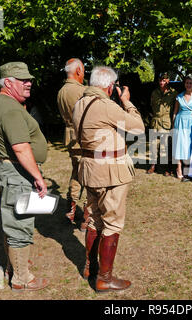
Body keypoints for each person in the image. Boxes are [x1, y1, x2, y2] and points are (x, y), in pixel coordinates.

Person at [72, 66, 145, 293]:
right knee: (112, 222)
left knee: (94, 219)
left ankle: (90, 268)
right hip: (110, 172)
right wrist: (127, 102)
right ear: (110, 86)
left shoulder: (79, 104)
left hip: (90, 170)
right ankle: (104, 278)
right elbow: (138, 128)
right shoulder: (106, 106)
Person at [0, 61, 49, 291]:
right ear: (8, 83)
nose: (29, 83)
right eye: (23, 80)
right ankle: (22, 278)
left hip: (10, 170)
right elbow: (21, 148)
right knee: (20, 224)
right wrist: (38, 177)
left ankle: (13, 267)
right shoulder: (11, 109)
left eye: (29, 79)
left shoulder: (0, 103)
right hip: (17, 173)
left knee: (12, 220)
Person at [57, 58, 87, 226]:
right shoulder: (81, 91)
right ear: (78, 71)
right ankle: (86, 217)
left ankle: (71, 209)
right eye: (83, 70)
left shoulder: (61, 91)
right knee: (90, 175)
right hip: (83, 137)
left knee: (76, 172)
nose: (83, 74)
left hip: (70, 137)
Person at [147, 72, 177, 175]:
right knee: (153, 145)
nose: (161, 82)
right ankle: (153, 166)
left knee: (164, 146)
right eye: (160, 80)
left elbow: (175, 109)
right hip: (155, 122)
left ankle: (165, 168)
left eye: (164, 80)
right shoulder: (154, 93)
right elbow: (151, 106)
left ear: (168, 80)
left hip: (166, 122)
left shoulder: (173, 93)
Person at [172, 74, 192, 181]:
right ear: (184, 84)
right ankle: (178, 169)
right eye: (187, 83)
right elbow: (175, 112)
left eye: (190, 83)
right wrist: (173, 125)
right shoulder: (179, 96)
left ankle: (188, 170)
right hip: (180, 122)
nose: (188, 85)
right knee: (179, 145)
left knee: (190, 145)